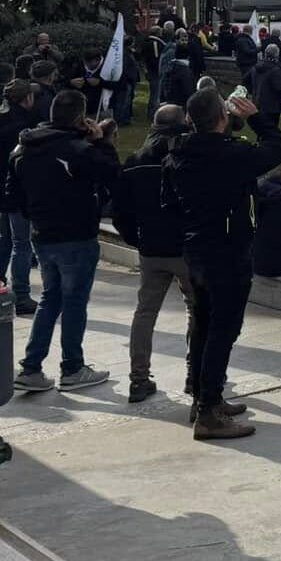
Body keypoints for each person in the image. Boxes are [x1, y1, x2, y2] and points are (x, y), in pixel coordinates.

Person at [165, 89, 281, 440]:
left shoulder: (177, 154)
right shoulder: (230, 154)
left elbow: (168, 205)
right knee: (223, 329)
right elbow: (279, 148)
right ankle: (208, 411)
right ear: (223, 117)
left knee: (204, 324)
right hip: (227, 250)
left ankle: (206, 396)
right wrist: (255, 118)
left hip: (196, 247)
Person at [8, 90, 120, 395]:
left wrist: (36, 214)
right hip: (76, 234)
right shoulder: (78, 150)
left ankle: (31, 367)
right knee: (73, 302)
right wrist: (102, 142)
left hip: (42, 233)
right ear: (81, 118)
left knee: (50, 298)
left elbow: (13, 194)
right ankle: (72, 367)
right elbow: (113, 174)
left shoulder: (24, 147)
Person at [114, 105, 194, 404]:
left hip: (151, 247)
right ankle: (195, 373)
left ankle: (139, 377)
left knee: (145, 312)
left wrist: (136, 239)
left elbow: (121, 211)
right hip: (186, 247)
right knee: (197, 310)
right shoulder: (188, 160)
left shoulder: (135, 162)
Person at [0, 81, 40, 313]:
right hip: (16, 191)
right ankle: (21, 295)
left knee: (5, 239)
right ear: (27, 99)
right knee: (21, 243)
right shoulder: (22, 126)